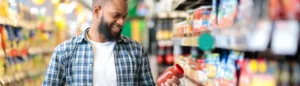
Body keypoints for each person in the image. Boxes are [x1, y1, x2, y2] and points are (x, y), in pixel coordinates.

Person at [42, 0, 180, 86]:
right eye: (115, 15)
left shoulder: (136, 51)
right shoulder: (65, 51)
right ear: (97, 11)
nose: (121, 22)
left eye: (124, 17)